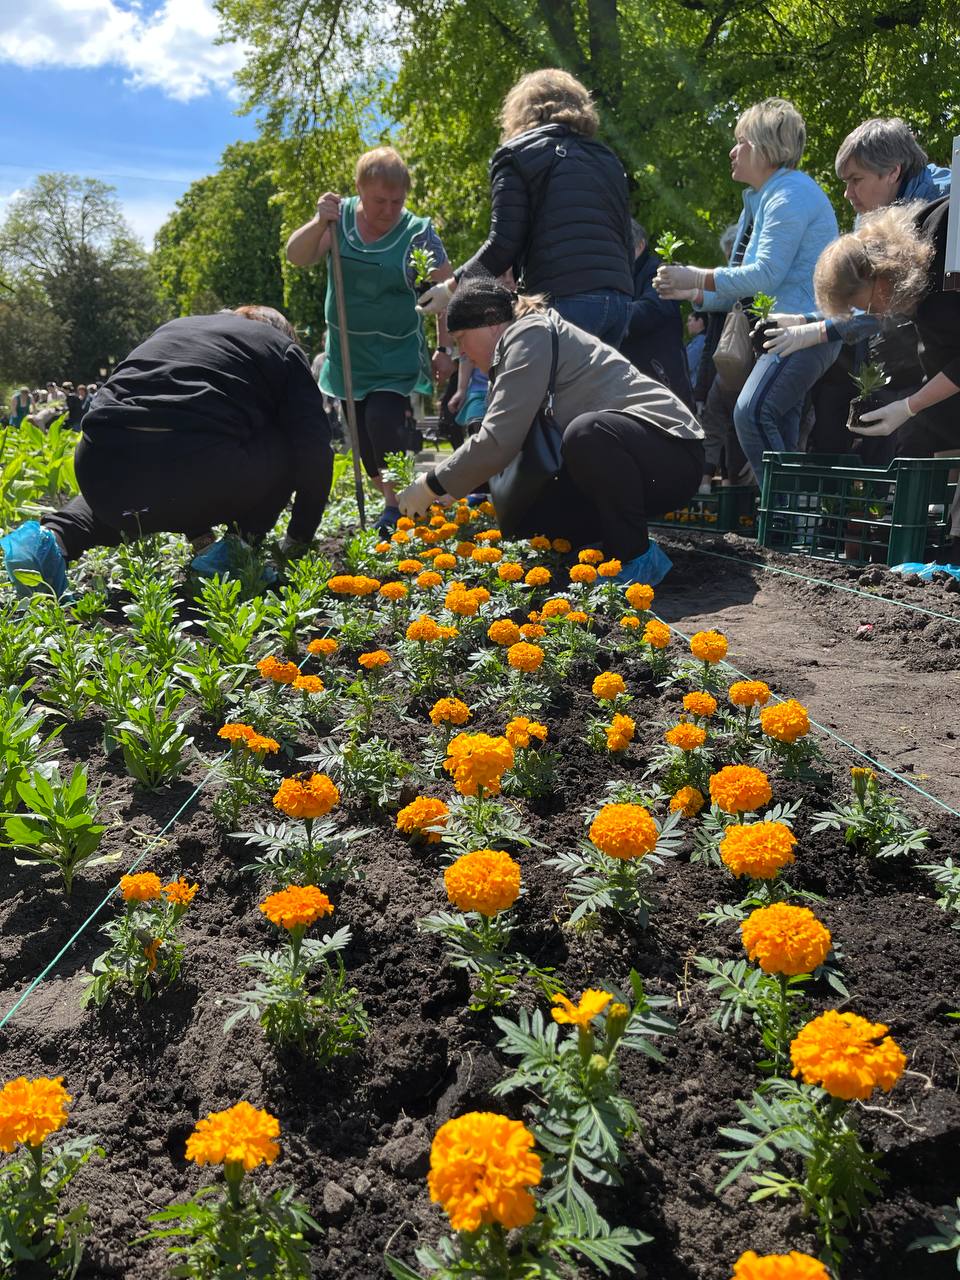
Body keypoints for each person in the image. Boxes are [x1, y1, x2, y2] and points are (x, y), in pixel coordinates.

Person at [0, 307, 333, 599]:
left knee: (133, 473)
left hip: (100, 465)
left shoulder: (177, 328)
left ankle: (49, 539)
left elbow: (168, 422)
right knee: (289, 436)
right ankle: (235, 551)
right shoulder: (281, 348)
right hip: (202, 469)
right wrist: (298, 538)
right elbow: (315, 451)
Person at [396, 280, 704, 586]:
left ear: (491, 323)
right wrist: (453, 488)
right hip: (640, 455)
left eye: (462, 338)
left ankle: (635, 557)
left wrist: (431, 484)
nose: (461, 351)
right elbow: (510, 448)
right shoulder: (518, 344)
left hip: (674, 453)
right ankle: (593, 551)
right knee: (531, 511)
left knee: (586, 434)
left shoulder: (528, 333)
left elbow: (498, 440)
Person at [655, 97, 840, 483]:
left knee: (752, 413)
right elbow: (742, 283)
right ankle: (784, 514)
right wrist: (691, 293)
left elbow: (765, 275)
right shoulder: (762, 198)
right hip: (781, 334)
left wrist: (696, 276)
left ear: (765, 148)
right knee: (778, 427)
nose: (733, 151)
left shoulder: (790, 195)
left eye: (741, 142)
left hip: (803, 331)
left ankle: (782, 506)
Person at [285, 146, 456, 532]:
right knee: (364, 445)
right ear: (359, 189)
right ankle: (400, 500)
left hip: (396, 354)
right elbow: (297, 256)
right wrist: (319, 221)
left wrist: (444, 348)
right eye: (380, 201)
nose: (389, 210)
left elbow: (447, 290)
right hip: (349, 355)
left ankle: (396, 509)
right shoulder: (338, 220)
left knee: (383, 420)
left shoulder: (417, 233)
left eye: (398, 201)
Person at [763, 118, 952, 459]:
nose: (847, 194)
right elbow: (868, 297)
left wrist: (817, 331)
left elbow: (881, 301)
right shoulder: (881, 216)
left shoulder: (943, 222)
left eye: (855, 180)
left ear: (892, 172)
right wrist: (807, 320)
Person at [418, 69, 633, 345]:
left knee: (548, 375)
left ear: (520, 111)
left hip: (564, 299)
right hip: (619, 302)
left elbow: (502, 245)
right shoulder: (607, 158)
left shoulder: (516, 154)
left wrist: (450, 289)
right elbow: (625, 239)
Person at [813, 198, 960, 456]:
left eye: (871, 306)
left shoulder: (947, 244)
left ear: (880, 274)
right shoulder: (918, 245)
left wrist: (910, 406)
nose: (879, 315)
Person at [620, 220, 694, 408]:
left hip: (663, 382)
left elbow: (651, 310)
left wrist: (610, 313)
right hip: (638, 382)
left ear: (640, 245)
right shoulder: (623, 276)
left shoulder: (658, 272)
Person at [685, 312, 706, 387]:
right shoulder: (701, 340)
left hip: (694, 386)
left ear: (700, 321)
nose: (687, 324)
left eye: (690, 320)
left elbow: (686, 364)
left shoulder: (700, 341)